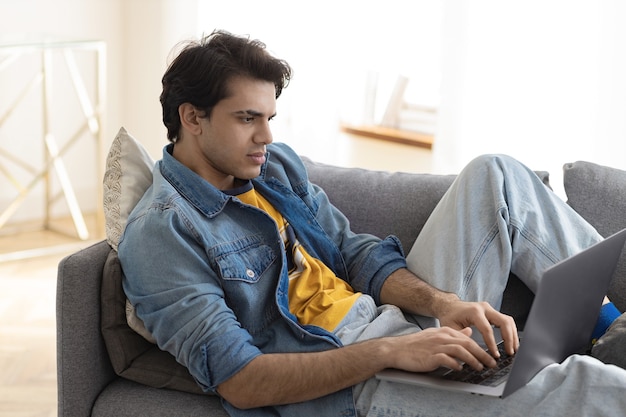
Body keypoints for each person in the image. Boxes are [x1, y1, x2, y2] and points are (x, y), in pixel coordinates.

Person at [118, 30, 626, 416]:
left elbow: (354, 252)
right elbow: (242, 381)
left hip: (393, 327)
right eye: (248, 118)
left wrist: (443, 305)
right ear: (192, 117)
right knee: (579, 384)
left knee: (496, 174)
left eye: (270, 117)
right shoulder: (163, 234)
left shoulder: (271, 169)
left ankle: (615, 331)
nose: (267, 136)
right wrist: (395, 350)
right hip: (353, 381)